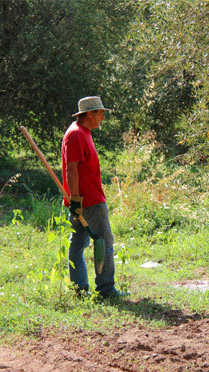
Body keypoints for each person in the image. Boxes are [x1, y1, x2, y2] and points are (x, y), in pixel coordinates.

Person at [61, 96, 120, 299]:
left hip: (83, 201)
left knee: (77, 245)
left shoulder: (82, 132)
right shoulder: (76, 134)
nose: (103, 117)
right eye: (101, 113)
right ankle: (106, 289)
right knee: (105, 242)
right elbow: (71, 169)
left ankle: (80, 290)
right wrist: (76, 200)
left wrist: (75, 201)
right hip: (90, 202)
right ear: (90, 114)